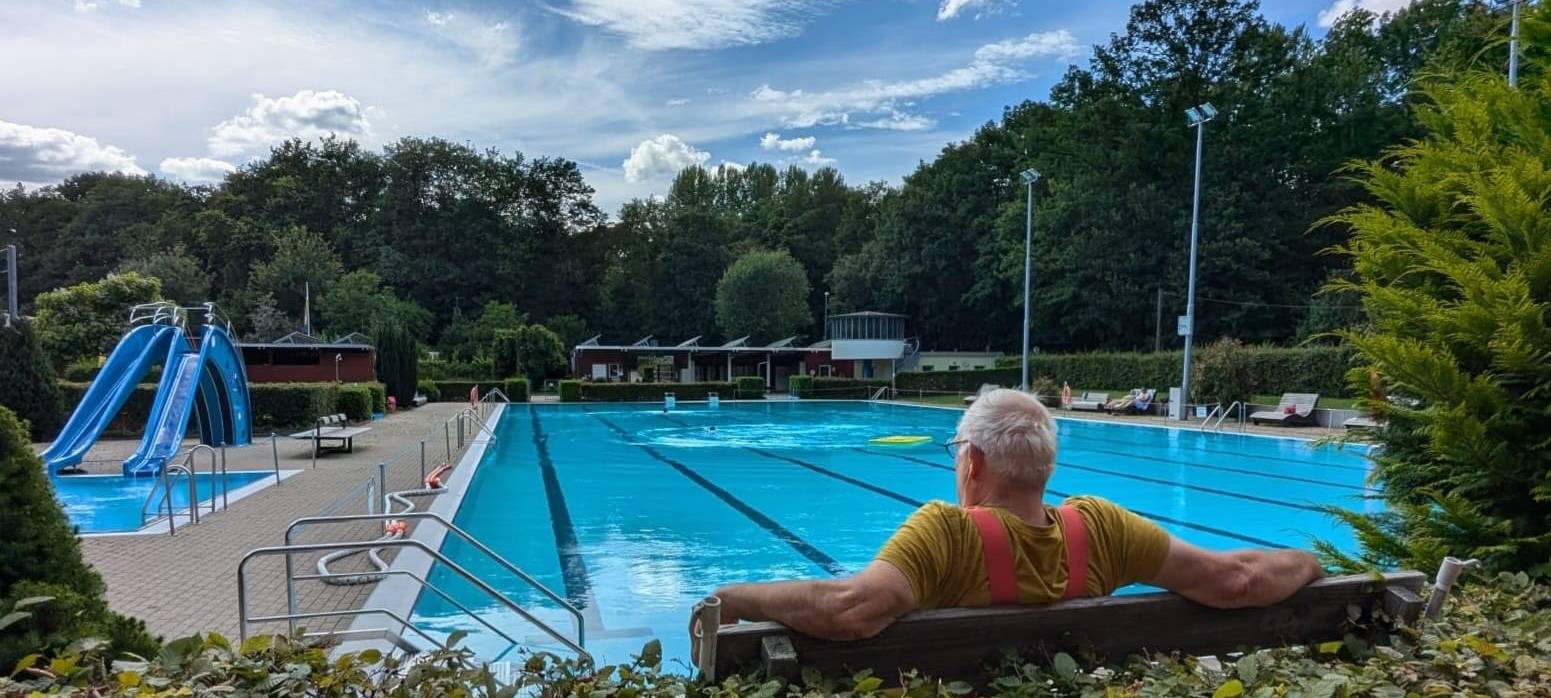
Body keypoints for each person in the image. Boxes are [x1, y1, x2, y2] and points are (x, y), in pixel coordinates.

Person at [707, 388, 1323, 642]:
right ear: (1045, 469)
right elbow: (1237, 580)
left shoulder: (943, 534)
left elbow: (850, 609)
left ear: (973, 462)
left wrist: (732, 598)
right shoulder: (1104, 529)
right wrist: (1312, 561)